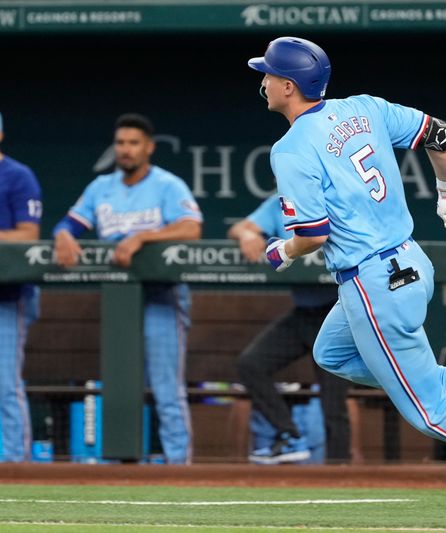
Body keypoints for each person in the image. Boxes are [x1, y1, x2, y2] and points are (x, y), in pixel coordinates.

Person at [248, 36, 446, 520]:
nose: (263, 81)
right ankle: (440, 380)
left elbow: (312, 234)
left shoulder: (290, 149)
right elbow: (440, 134)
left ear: (289, 86)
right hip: (410, 262)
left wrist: (280, 252)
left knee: (428, 411)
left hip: (373, 282)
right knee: (330, 352)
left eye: (268, 74)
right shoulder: (364, 107)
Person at [53, 113, 202, 464]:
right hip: (119, 299)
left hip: (162, 295)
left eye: (133, 143)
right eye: (120, 143)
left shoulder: (168, 185)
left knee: (166, 387)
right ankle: (121, 465)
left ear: (148, 147)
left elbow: (190, 228)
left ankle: (179, 465)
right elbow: (71, 223)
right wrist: (61, 233)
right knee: (120, 383)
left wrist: (143, 236)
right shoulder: (101, 187)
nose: (125, 149)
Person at [228, 195, 351, 464]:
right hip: (303, 314)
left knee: (333, 403)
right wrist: (248, 234)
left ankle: (341, 474)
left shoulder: (338, 198)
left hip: (339, 312)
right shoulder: (280, 203)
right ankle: (290, 434)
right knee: (251, 364)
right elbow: (239, 227)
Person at [0, 112, 43, 462]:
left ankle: (15, 466)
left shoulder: (17, 175)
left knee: (4, 384)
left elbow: (28, 235)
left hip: (8, 295)